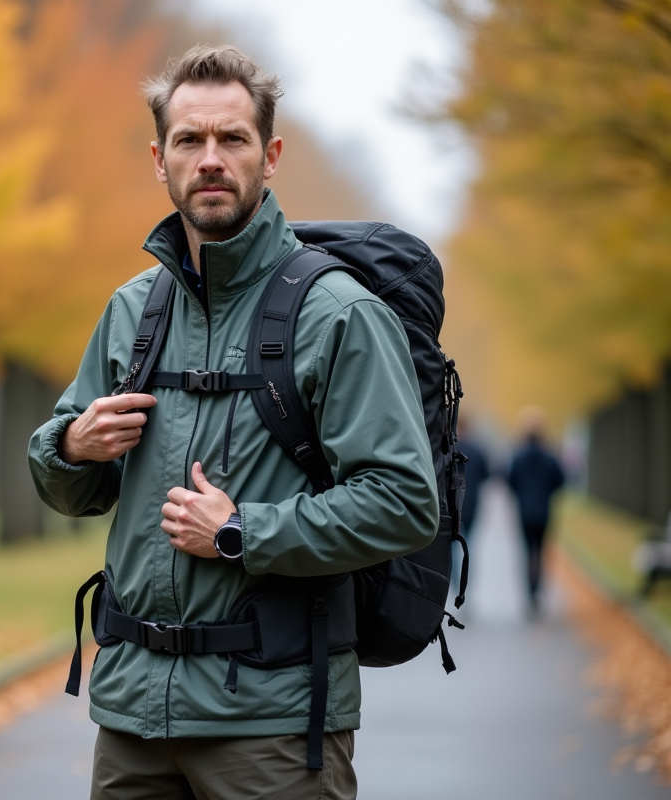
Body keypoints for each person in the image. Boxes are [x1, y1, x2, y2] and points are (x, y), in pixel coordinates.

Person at [28, 45, 438, 799]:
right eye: (189, 140)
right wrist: (72, 446)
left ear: (270, 154)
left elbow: (404, 502)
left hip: (272, 725)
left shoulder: (337, 315)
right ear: (160, 159)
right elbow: (67, 488)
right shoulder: (132, 311)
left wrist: (242, 532)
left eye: (232, 139)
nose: (209, 159)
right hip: (130, 721)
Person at [506, 408, 565, 617]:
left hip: (524, 511)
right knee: (539, 552)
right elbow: (560, 480)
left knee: (526, 552)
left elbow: (510, 481)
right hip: (543, 511)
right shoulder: (550, 457)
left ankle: (529, 592)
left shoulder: (518, 456)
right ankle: (537, 589)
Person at [452, 416, 491, 599]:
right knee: (470, 548)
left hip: (453, 506)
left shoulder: (450, 449)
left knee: (451, 549)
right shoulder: (478, 450)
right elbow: (486, 476)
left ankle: (453, 586)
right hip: (472, 504)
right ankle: (466, 587)